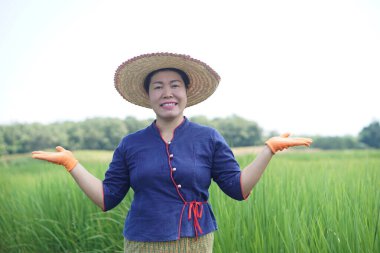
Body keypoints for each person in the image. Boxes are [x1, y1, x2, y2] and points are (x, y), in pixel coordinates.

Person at [32, 52, 312, 253]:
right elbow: (107, 198)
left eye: (175, 85)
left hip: (196, 243)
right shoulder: (131, 144)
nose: (167, 93)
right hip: (142, 244)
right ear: (149, 96)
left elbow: (237, 189)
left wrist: (269, 150)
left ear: (186, 93)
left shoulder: (208, 137)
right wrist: (72, 164)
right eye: (158, 87)